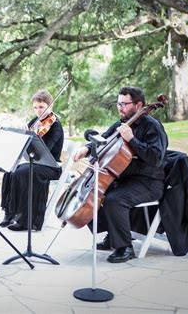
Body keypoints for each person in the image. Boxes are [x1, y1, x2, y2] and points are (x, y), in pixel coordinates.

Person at [73, 86, 168, 263]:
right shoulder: (121, 124)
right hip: (126, 179)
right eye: (118, 104)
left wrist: (132, 139)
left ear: (138, 105)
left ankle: (125, 247)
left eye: (124, 104)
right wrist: (86, 149)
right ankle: (113, 236)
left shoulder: (153, 127)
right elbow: (103, 139)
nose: (120, 108)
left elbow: (155, 158)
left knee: (115, 199)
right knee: (95, 194)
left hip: (148, 182)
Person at [0, 89, 64, 231]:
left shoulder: (55, 125)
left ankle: (26, 220)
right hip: (36, 163)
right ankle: (10, 212)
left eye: (41, 107)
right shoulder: (35, 122)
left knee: (22, 173)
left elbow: (44, 150)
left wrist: (34, 138)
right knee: (10, 170)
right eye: (35, 107)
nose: (38, 111)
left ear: (50, 106)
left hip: (51, 166)